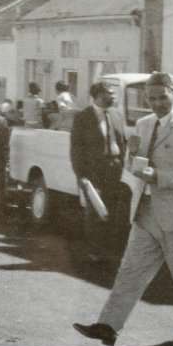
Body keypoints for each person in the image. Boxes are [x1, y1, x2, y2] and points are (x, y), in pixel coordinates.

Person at [73, 72, 173, 346]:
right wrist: (132, 157)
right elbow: (134, 165)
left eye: (163, 97)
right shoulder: (144, 125)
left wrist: (158, 176)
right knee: (130, 271)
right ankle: (109, 325)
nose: (157, 103)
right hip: (145, 211)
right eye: (151, 99)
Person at [69, 81, 127, 262]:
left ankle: (110, 251)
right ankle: (95, 252)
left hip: (115, 169)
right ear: (97, 96)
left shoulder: (116, 115)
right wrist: (82, 177)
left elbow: (122, 142)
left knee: (114, 211)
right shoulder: (83, 118)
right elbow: (76, 150)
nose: (113, 96)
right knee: (95, 212)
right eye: (109, 93)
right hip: (94, 172)